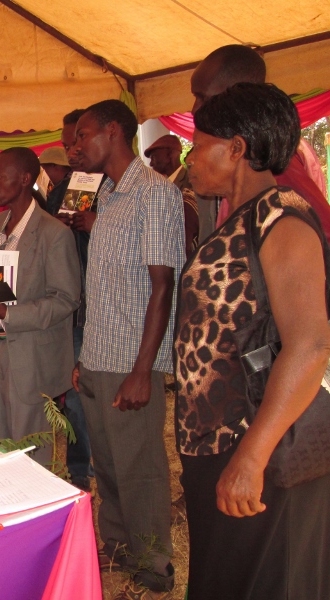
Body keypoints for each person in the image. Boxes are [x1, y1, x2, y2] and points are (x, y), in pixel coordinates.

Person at [176, 82, 330, 600]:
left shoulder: (282, 221)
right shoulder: (242, 219)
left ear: (236, 148)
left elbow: (309, 345)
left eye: (198, 145)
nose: (190, 159)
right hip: (218, 443)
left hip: (258, 445)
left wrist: (251, 458)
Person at [72, 100, 185, 599]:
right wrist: (84, 359)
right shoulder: (111, 195)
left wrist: (144, 370)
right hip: (99, 357)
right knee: (109, 465)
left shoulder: (155, 195)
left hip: (130, 364)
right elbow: (106, 287)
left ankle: (153, 564)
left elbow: (163, 286)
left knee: (140, 467)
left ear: (113, 131)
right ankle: (117, 546)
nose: (76, 146)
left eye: (83, 135)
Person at [0, 148, 80, 461]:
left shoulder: (54, 233)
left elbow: (66, 299)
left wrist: (10, 313)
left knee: (31, 447)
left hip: (32, 355)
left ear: (25, 179)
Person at [191, 44, 330, 239]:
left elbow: (320, 237)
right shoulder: (235, 168)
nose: (194, 109)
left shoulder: (271, 165)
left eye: (202, 97)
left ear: (238, 94)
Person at [58, 107, 96, 490]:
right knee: (76, 393)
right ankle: (79, 469)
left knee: (84, 394)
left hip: (97, 308)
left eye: (78, 141)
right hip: (73, 305)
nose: (72, 150)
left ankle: (86, 468)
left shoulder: (113, 185)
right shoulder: (70, 184)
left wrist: (94, 222)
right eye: (68, 144)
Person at [144, 134, 200, 258]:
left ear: (170, 156)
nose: (151, 163)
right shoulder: (157, 185)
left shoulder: (190, 183)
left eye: (154, 157)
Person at [38, 146, 72, 216]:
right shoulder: (76, 180)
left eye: (44, 169)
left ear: (54, 166)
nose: (44, 174)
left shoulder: (61, 188)